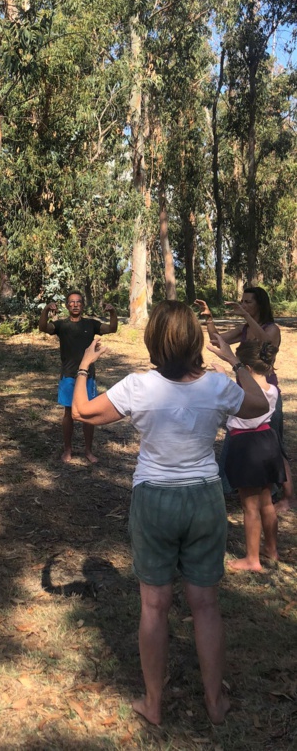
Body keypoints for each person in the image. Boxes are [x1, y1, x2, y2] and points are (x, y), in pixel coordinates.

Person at [72, 301, 268, 726]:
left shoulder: (138, 387)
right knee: (206, 605)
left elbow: (81, 412)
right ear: (195, 340)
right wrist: (233, 361)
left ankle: (154, 705)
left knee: (154, 606)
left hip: (155, 499)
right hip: (203, 498)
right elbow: (258, 406)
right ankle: (216, 703)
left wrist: (84, 367)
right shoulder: (217, 386)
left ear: (153, 340)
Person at [195, 287, 294, 509]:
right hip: (243, 391)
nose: (244, 304)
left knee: (274, 443)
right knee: (239, 436)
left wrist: (246, 316)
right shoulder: (244, 328)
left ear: (260, 304)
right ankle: (239, 486)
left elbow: (268, 344)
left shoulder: (272, 328)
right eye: (243, 301)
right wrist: (209, 317)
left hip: (267, 392)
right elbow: (216, 339)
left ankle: (287, 496)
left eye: (248, 302)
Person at [221, 341, 284, 571]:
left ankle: (252, 559)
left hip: (246, 446)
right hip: (268, 441)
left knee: (250, 507)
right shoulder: (273, 389)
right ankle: (272, 549)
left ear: (245, 368)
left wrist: (223, 379)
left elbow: (231, 405)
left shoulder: (239, 392)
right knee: (267, 502)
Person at [39, 291, 117, 463]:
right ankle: (68, 450)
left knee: (88, 413)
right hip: (68, 376)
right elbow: (43, 328)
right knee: (68, 412)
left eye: (78, 302)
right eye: (72, 302)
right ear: (67, 306)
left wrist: (113, 313)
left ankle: (88, 451)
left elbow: (112, 328)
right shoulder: (61, 325)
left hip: (88, 376)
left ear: (83, 305)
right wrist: (45, 310)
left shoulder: (91, 324)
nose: (75, 305)